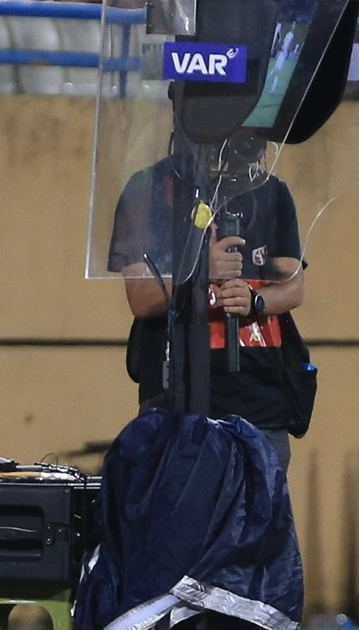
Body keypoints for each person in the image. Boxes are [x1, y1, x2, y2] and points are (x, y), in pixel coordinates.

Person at [107, 129, 306, 474]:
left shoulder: (271, 190)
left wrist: (255, 301)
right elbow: (141, 297)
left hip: (260, 401)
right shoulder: (150, 188)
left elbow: (293, 287)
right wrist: (200, 271)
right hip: (176, 401)